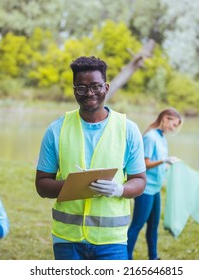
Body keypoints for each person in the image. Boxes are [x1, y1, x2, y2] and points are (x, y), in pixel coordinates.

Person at [35, 56, 146, 260]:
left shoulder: (128, 129)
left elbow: (139, 181)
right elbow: (42, 185)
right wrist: (74, 185)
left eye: (95, 86)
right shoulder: (56, 130)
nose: (89, 93)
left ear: (106, 87)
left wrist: (120, 189)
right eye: (81, 88)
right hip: (67, 240)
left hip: (112, 241)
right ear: (74, 89)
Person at [127, 108, 182, 260]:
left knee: (153, 227)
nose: (174, 128)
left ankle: (154, 258)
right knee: (137, 225)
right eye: (173, 124)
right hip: (145, 189)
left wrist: (167, 164)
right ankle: (125, 258)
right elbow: (144, 164)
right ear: (165, 119)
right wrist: (163, 160)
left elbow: (158, 162)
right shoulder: (150, 137)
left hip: (155, 188)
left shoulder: (162, 136)